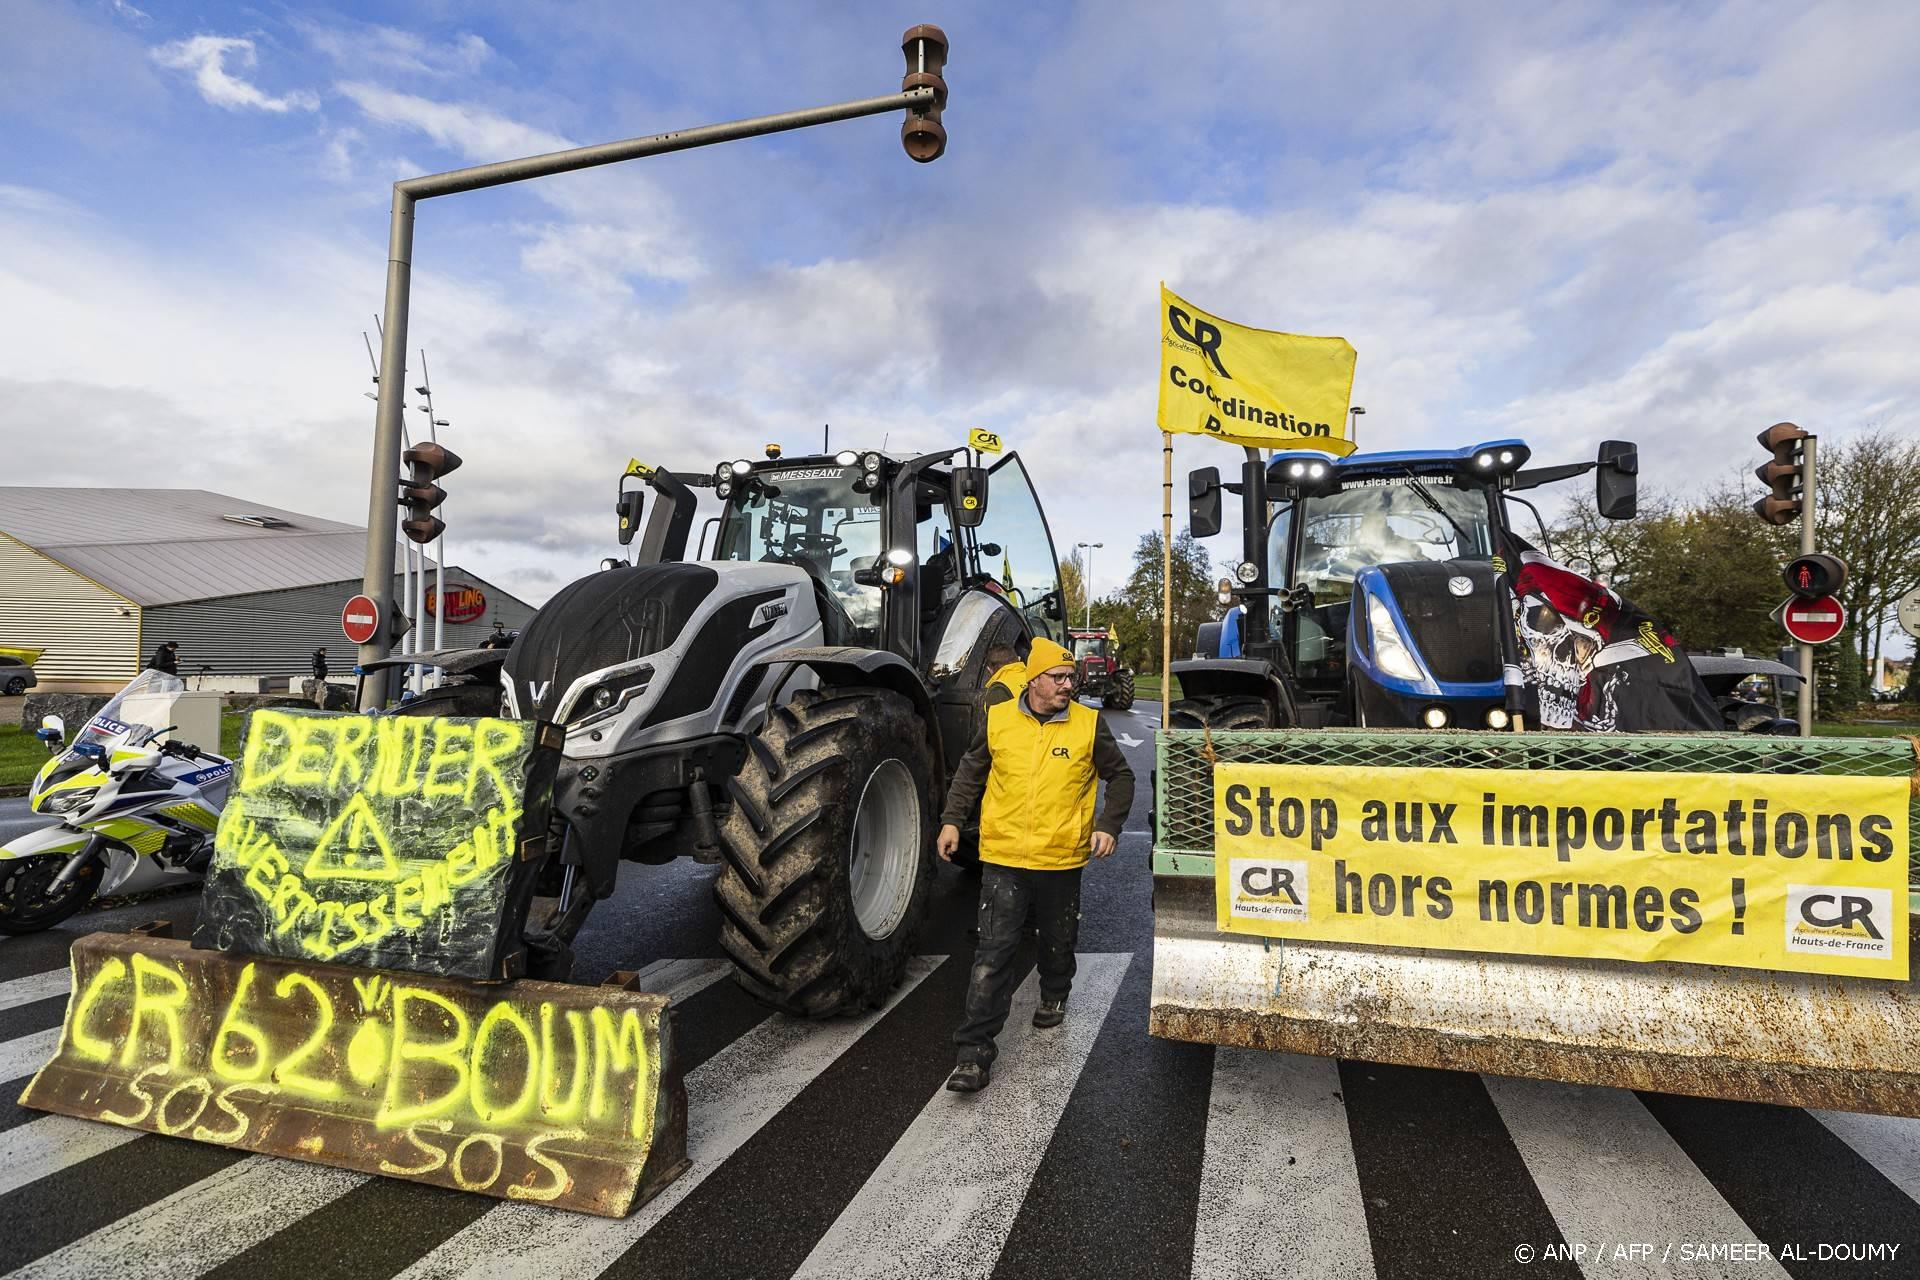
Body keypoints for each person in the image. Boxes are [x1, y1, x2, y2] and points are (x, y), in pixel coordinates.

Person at [936, 637, 1135, 1093]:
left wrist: (1109, 825)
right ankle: (973, 1053)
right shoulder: (1000, 719)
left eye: (1071, 678)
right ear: (1034, 681)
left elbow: (1121, 775)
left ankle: (1054, 993)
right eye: (1058, 678)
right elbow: (971, 771)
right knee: (993, 953)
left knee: (1057, 938)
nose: (1068, 685)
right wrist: (951, 821)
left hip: (1060, 858)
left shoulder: (1088, 724)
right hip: (1004, 856)